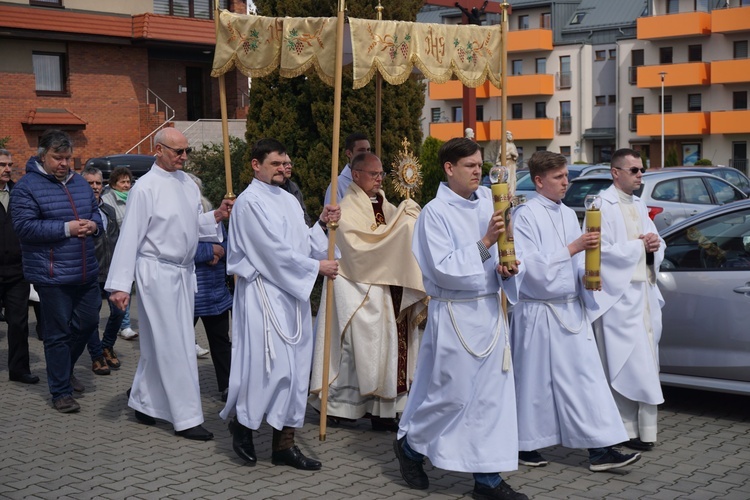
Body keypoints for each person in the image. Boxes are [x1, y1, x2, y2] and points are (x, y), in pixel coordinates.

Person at [394, 137, 526, 500]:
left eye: (480, 164)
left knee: (491, 399)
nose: (478, 171)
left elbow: (509, 246)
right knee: (451, 395)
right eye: (470, 166)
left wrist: (509, 267)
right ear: (449, 168)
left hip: (489, 309)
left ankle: (487, 480)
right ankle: (410, 447)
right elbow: (444, 269)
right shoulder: (434, 213)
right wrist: (485, 242)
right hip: (454, 312)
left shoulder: (490, 200)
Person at [510, 150, 639, 472]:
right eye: (559, 177)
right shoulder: (524, 215)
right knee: (534, 383)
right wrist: (573, 248)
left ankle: (601, 449)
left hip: (569, 309)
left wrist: (587, 277)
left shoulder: (568, 214)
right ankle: (525, 444)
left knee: (586, 379)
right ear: (539, 181)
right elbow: (528, 265)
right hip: (538, 312)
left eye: (566, 176)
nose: (566, 182)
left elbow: (579, 260)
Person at [220, 138, 339, 470]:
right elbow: (271, 252)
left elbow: (301, 243)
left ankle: (284, 444)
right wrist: (316, 267)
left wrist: (322, 225)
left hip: (291, 297)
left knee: (297, 369)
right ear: (256, 165)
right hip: (262, 294)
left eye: (286, 164)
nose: (283, 169)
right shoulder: (248, 203)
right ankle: (242, 427)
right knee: (265, 366)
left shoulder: (288, 200)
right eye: (276, 164)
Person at [106, 128, 232, 441]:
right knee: (175, 345)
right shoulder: (145, 188)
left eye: (186, 151)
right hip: (157, 272)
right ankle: (185, 417)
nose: (184, 157)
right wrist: (120, 285)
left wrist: (215, 215)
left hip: (183, 272)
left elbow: (189, 226)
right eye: (178, 151)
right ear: (158, 150)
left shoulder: (186, 183)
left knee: (158, 343)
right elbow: (130, 235)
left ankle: (145, 403)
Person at [309, 152, 427, 430]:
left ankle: (384, 410)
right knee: (355, 350)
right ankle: (341, 407)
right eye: (373, 174)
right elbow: (361, 250)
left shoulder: (385, 203)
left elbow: (391, 234)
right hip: (356, 289)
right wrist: (404, 229)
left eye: (381, 174)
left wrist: (408, 215)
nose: (379, 179)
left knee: (389, 349)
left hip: (387, 288)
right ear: (356, 174)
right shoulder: (346, 207)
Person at [11, 130, 103, 413]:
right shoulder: (27, 186)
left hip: (86, 270)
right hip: (51, 274)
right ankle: (60, 391)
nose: (64, 163)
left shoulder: (80, 183)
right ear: (42, 156)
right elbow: (24, 227)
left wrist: (94, 225)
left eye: (67, 158)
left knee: (87, 324)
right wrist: (67, 228)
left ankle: (64, 368)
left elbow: (96, 212)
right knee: (57, 333)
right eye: (57, 158)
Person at [589, 148, 665, 452]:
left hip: (643, 295)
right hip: (617, 300)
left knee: (648, 365)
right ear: (615, 172)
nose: (640, 176)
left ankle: (645, 431)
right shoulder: (601, 205)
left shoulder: (639, 202)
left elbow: (656, 243)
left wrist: (653, 247)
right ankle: (623, 430)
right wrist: (638, 247)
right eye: (634, 170)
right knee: (621, 364)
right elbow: (598, 254)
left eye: (641, 170)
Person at [187, 172, 233, 402]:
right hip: (190, 292)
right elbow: (175, 248)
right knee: (177, 345)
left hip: (214, 290)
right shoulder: (177, 216)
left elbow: (224, 245)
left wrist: (219, 253)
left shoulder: (209, 213)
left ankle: (227, 385)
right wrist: (208, 252)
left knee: (221, 342)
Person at [0, 148, 39, 386]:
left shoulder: (19, 193)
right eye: (2, 164)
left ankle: (19, 369)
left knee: (18, 322)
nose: (7, 168)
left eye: (9, 164)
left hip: (17, 271)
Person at [82, 167, 125, 371]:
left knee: (118, 312)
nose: (95, 187)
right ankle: (96, 356)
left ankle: (107, 346)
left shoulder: (109, 210)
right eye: (90, 183)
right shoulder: (80, 211)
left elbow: (116, 239)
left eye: (98, 183)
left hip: (112, 272)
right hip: (90, 272)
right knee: (91, 318)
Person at [101, 166, 138, 341]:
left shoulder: (135, 197)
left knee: (133, 288)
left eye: (128, 181)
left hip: (137, 250)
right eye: (122, 182)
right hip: (118, 251)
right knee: (122, 288)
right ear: (114, 184)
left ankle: (125, 323)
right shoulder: (107, 200)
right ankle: (124, 325)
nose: (126, 185)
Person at [324, 132, 370, 205]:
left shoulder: (373, 182)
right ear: (349, 153)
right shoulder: (337, 185)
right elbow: (332, 214)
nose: (366, 154)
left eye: (368, 150)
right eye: (361, 150)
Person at [280, 153, 313, 227]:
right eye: (285, 163)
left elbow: (304, 213)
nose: (289, 166)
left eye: (290, 163)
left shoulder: (294, 187)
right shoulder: (273, 190)